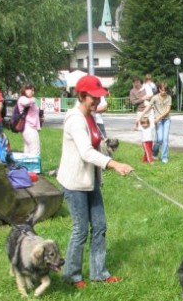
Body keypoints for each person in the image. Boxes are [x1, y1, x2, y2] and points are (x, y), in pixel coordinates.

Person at [57, 74, 134, 287]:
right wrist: (114, 164)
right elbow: (86, 153)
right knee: (80, 229)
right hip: (74, 183)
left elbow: (96, 142)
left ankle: (99, 273)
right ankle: (71, 276)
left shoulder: (90, 116)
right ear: (82, 95)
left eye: (100, 98)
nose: (98, 101)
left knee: (99, 226)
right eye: (94, 97)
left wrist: (108, 144)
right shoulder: (75, 119)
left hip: (90, 180)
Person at [142, 81, 172, 163]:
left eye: (165, 90)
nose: (164, 92)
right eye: (162, 90)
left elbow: (168, 110)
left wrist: (159, 117)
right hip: (158, 120)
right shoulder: (155, 98)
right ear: (159, 89)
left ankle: (164, 157)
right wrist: (142, 115)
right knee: (159, 139)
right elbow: (148, 106)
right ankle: (154, 153)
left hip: (166, 120)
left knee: (165, 139)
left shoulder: (169, 97)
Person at [17, 83, 41, 156]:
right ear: (24, 90)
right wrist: (34, 99)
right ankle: (33, 167)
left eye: (32, 90)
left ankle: (27, 167)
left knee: (27, 150)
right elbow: (26, 102)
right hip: (28, 127)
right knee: (35, 151)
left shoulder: (32, 100)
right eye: (28, 89)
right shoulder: (22, 98)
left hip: (32, 127)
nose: (31, 91)